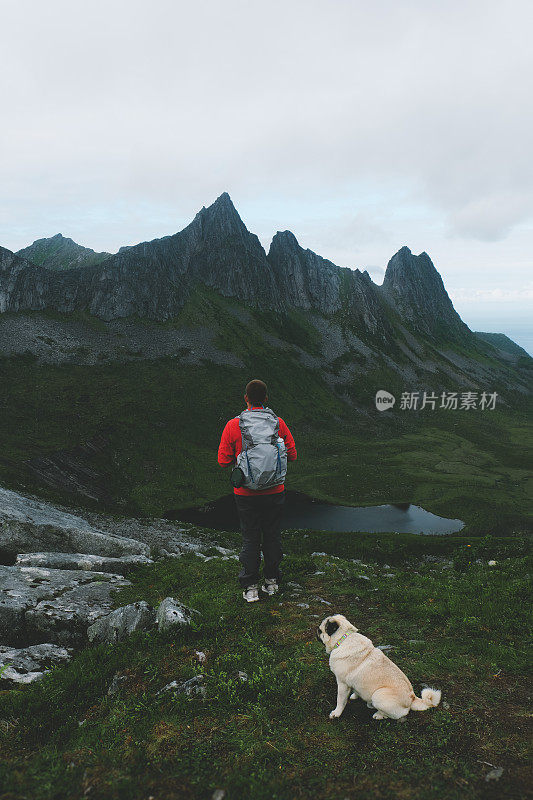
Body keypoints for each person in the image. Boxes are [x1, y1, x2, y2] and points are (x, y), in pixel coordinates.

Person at [217, 379, 297, 603]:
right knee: (272, 536)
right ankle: (272, 582)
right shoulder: (278, 423)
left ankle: (250, 587)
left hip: (246, 495)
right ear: (266, 399)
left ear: (246, 399)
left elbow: (223, 461)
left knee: (250, 538)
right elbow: (292, 455)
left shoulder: (234, 425)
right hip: (275, 491)